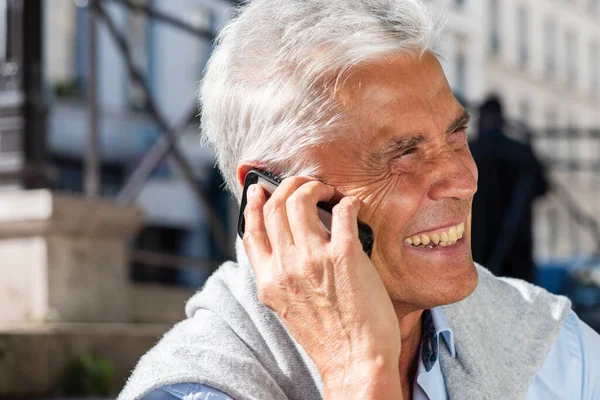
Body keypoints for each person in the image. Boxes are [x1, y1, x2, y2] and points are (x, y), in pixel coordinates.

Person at [120, 1, 600, 399]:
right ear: (269, 197)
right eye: (403, 154)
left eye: (456, 137)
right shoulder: (195, 388)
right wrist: (361, 372)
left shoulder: (553, 345)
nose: (461, 179)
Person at [469, 96, 548, 283]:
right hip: (514, 246)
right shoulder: (519, 151)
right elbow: (542, 188)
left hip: (482, 244)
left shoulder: (472, 151)